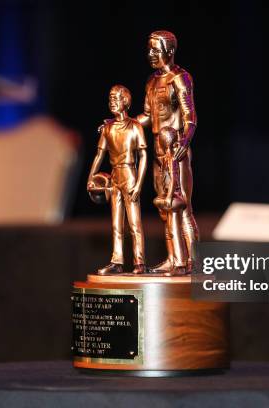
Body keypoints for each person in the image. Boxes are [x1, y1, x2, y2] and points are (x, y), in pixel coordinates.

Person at [137, 30, 199, 273]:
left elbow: (190, 117)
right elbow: (147, 116)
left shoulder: (181, 78)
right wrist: (125, 123)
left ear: (170, 51)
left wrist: (183, 144)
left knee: (182, 206)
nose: (151, 54)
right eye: (149, 49)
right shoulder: (152, 82)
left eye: (156, 49)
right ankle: (174, 258)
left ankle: (193, 261)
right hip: (157, 151)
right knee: (165, 209)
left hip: (176, 150)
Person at [87, 85, 148, 275]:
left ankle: (139, 262)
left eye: (116, 98)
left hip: (130, 176)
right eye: (110, 98)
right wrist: (90, 177)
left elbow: (144, 156)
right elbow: (99, 154)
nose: (112, 101)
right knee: (116, 224)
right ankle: (117, 261)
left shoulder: (135, 127)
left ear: (125, 102)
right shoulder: (107, 128)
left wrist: (138, 184)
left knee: (134, 223)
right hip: (114, 177)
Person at [153, 127, 188, 275]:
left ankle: (180, 264)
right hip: (169, 196)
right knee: (169, 231)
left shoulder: (172, 159)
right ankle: (174, 260)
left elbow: (174, 179)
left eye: (161, 137)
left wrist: (168, 197)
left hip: (174, 197)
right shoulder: (166, 158)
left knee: (174, 231)